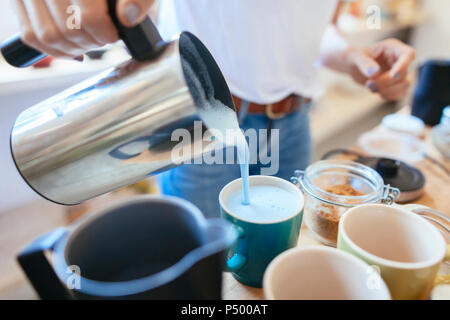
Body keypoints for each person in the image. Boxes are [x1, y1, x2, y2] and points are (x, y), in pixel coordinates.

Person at [13, 0, 415, 217]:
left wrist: (352, 57)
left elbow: (313, 28)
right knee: (206, 270)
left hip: (292, 123)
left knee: (270, 258)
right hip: (200, 126)